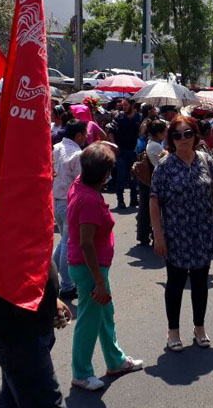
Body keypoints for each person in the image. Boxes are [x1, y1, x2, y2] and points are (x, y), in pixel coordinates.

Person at [0, 196, 72, 408]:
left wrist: (50, 296)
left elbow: (31, 259)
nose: (54, 170)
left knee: (12, 398)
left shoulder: (34, 198)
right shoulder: (2, 203)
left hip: (33, 327)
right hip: (20, 332)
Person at [150, 116, 213, 352]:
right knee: (175, 283)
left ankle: (199, 328)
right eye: (177, 135)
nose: (183, 139)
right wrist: (158, 234)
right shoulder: (165, 167)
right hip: (175, 235)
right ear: (171, 139)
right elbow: (154, 201)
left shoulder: (205, 160)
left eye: (187, 133)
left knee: (200, 283)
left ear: (195, 136)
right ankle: (173, 331)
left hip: (202, 232)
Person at [67, 143, 144, 391]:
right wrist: (99, 281)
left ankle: (116, 360)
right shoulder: (88, 198)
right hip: (90, 269)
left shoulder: (81, 182)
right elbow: (86, 243)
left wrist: (103, 145)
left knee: (105, 315)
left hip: (94, 268)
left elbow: (94, 152)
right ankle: (81, 373)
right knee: (89, 322)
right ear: (103, 175)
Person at [52, 120, 87, 301]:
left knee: (63, 241)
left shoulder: (56, 147)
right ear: (79, 135)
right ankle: (66, 285)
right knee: (68, 242)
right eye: (85, 134)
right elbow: (81, 181)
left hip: (55, 200)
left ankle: (51, 278)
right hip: (68, 202)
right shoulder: (78, 154)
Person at [136, 118, 167, 246]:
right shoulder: (156, 146)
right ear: (159, 134)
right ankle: (155, 237)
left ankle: (144, 236)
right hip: (156, 181)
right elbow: (166, 162)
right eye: (164, 131)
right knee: (156, 212)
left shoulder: (151, 143)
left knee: (146, 210)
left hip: (150, 181)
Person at [107, 98, 142, 210]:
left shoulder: (140, 118)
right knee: (121, 176)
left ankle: (133, 199)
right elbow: (110, 132)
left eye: (126, 105)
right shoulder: (118, 117)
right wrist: (114, 145)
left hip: (134, 152)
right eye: (123, 105)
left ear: (133, 105)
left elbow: (143, 135)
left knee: (134, 176)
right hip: (121, 151)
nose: (124, 107)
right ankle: (120, 200)